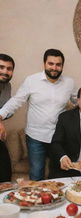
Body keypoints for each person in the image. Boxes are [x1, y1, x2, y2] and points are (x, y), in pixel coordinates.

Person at [0, 49, 75, 181]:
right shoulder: (31, 80)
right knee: (36, 173)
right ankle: (37, 201)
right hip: (35, 137)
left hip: (58, 137)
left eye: (58, 64)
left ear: (62, 66)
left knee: (59, 173)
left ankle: (56, 199)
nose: (54, 67)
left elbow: (79, 101)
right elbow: (17, 100)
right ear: (44, 64)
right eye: (51, 63)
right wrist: (0, 115)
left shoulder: (69, 83)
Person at [0, 54, 15, 182]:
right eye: (1, 67)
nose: (5, 71)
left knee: (5, 173)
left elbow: (6, 109)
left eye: (9, 68)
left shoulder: (7, 86)